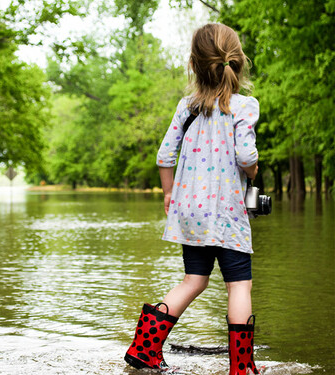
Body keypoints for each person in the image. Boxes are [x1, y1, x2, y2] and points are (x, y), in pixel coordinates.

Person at [124, 23, 261, 375]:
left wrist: (169, 192)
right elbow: (246, 157)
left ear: (195, 64)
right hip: (227, 213)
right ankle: (242, 367)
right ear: (237, 61)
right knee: (239, 286)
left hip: (190, 213)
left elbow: (164, 156)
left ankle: (143, 348)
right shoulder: (244, 107)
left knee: (193, 281)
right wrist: (253, 172)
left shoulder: (187, 107)